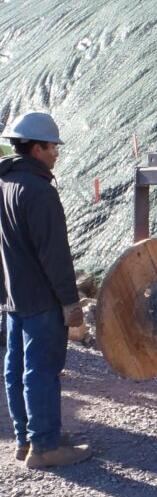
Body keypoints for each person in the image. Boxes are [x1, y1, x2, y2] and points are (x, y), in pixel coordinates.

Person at [1, 112, 92, 469]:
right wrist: (70, 302)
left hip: (14, 296)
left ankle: (28, 440)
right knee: (41, 370)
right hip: (42, 299)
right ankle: (46, 448)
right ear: (37, 148)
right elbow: (54, 255)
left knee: (17, 368)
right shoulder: (38, 191)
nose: (56, 153)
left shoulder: (5, 184)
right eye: (53, 146)